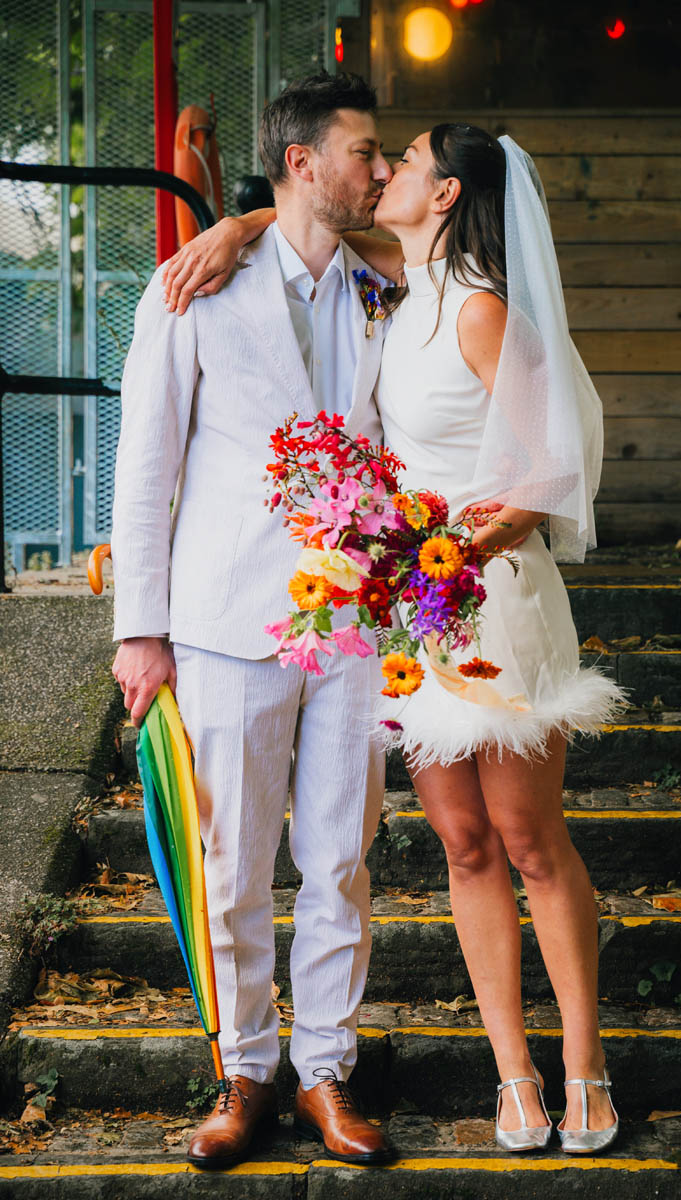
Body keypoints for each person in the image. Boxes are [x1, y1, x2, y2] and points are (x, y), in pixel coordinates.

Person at [163, 121, 626, 1153]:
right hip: (417, 610)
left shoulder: (478, 309)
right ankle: (514, 1077)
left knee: (529, 844)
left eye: (402, 163)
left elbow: (550, 472)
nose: (383, 175)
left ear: (447, 191)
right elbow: (307, 227)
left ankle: (584, 1064)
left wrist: (448, 549)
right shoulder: (398, 286)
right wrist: (236, 222)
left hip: (488, 596)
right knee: (461, 847)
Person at [110, 73, 398, 1170]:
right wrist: (144, 630)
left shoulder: (387, 288)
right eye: (363, 152)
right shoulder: (193, 290)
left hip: (356, 624)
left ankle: (326, 1073)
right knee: (231, 862)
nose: (378, 170)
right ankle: (244, 1070)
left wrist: (239, 219)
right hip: (226, 618)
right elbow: (147, 465)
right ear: (302, 162)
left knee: (340, 859)